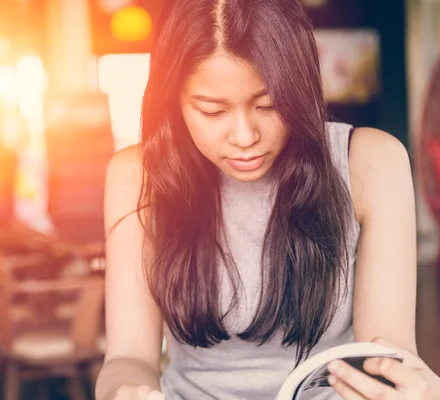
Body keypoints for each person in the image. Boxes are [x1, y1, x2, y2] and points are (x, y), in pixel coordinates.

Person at [95, 0, 440, 399]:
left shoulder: (371, 163)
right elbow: (128, 358)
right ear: (173, 102)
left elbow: (385, 349)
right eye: (212, 111)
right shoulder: (136, 176)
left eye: (268, 105)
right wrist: (126, 392)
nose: (244, 137)